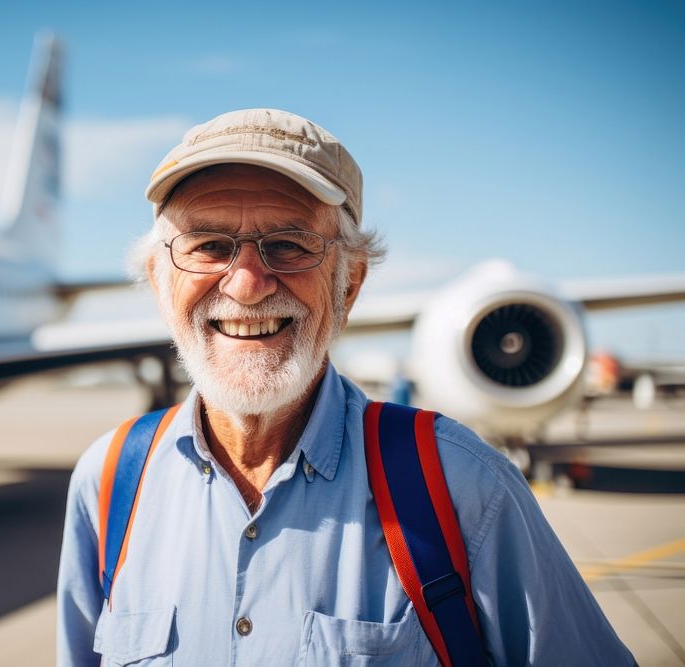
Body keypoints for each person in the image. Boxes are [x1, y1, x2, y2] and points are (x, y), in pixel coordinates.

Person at [56, 108, 633, 665]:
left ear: (349, 284)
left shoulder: (467, 488)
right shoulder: (108, 484)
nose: (249, 284)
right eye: (207, 245)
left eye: (289, 244)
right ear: (160, 282)